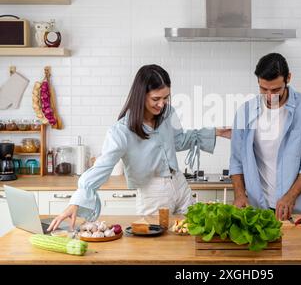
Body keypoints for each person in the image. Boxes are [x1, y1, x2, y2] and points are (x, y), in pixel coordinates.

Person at [48, 64, 230, 231]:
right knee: (157, 247)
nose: (162, 104)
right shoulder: (122, 130)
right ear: (141, 95)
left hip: (180, 184)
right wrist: (76, 202)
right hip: (153, 192)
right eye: (156, 99)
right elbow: (102, 166)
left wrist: (216, 132)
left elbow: (179, 141)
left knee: (193, 233)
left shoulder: (168, 113)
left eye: (166, 98)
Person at [229, 53, 301, 221]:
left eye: (275, 90)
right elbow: (237, 160)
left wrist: (290, 196)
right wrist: (239, 194)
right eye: (263, 89)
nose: (269, 95)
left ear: (288, 78)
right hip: (258, 209)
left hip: (297, 209)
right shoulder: (245, 111)